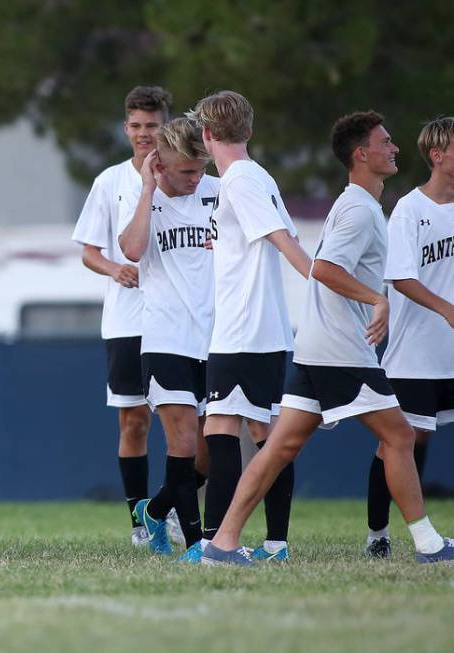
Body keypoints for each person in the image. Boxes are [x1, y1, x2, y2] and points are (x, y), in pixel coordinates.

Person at [203, 111, 454, 566]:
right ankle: (429, 544)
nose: (395, 148)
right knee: (399, 437)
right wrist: (378, 302)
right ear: (362, 154)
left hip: (318, 344)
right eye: (386, 141)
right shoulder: (358, 209)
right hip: (339, 347)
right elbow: (325, 269)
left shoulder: (359, 204)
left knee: (281, 447)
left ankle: (221, 543)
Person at [186, 91, 312, 561]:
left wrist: (325, 288)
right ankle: (262, 541)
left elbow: (283, 241)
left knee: (231, 431)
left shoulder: (239, 180)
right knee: (260, 434)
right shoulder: (255, 176)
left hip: (245, 331)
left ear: (206, 134)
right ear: (249, 131)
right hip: (252, 330)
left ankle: (217, 542)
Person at [71, 86, 186, 546]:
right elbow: (89, 252)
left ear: (167, 126)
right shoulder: (110, 181)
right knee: (133, 420)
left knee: (184, 425)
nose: (143, 134)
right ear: (126, 128)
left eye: (152, 126)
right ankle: (140, 523)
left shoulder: (187, 178)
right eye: (136, 126)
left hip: (177, 320)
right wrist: (114, 267)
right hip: (127, 322)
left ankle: (174, 507)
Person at [119, 117, 218, 562]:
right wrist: (146, 189)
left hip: (217, 338)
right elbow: (132, 250)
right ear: (160, 164)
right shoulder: (148, 199)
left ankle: (156, 510)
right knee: (182, 443)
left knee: (211, 449)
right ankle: (198, 544)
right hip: (165, 338)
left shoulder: (218, 192)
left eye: (200, 170)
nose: (195, 179)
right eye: (186, 172)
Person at [366, 116, 454, 557]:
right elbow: (400, 277)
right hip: (414, 354)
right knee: (400, 442)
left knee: (422, 439)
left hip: (450, 353)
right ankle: (378, 535)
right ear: (438, 156)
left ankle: (426, 536)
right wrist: (447, 309)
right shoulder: (410, 209)